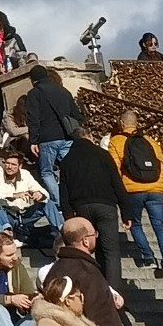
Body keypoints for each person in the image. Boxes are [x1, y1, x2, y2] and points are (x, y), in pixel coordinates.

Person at [57, 121, 127, 287]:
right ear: (90, 136)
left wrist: (68, 216)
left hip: (81, 208)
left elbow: (63, 191)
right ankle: (113, 291)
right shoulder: (103, 155)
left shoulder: (67, 160)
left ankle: (87, 284)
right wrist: (126, 211)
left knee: (83, 249)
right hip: (106, 206)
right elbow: (117, 182)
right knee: (110, 250)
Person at [108, 107, 163, 274]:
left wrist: (117, 191)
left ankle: (148, 257)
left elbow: (114, 168)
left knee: (135, 223)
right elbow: (162, 168)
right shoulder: (151, 141)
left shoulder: (116, 141)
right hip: (155, 189)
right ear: (137, 123)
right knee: (160, 226)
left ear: (121, 123)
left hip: (132, 189)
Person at [21, 63, 81, 199]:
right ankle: (75, 198)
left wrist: (33, 141)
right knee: (70, 170)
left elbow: (33, 118)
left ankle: (59, 201)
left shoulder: (34, 93)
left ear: (33, 79)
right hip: (67, 136)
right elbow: (76, 114)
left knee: (46, 172)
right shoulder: (64, 91)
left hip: (47, 138)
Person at [0, 149, 58, 244]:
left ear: (20, 166)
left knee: (48, 203)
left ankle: (61, 232)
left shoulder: (25, 174)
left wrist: (39, 194)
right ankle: (4, 233)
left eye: (13, 165)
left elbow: (44, 193)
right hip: (6, 214)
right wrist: (13, 195)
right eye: (7, 163)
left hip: (25, 214)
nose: (9, 167)